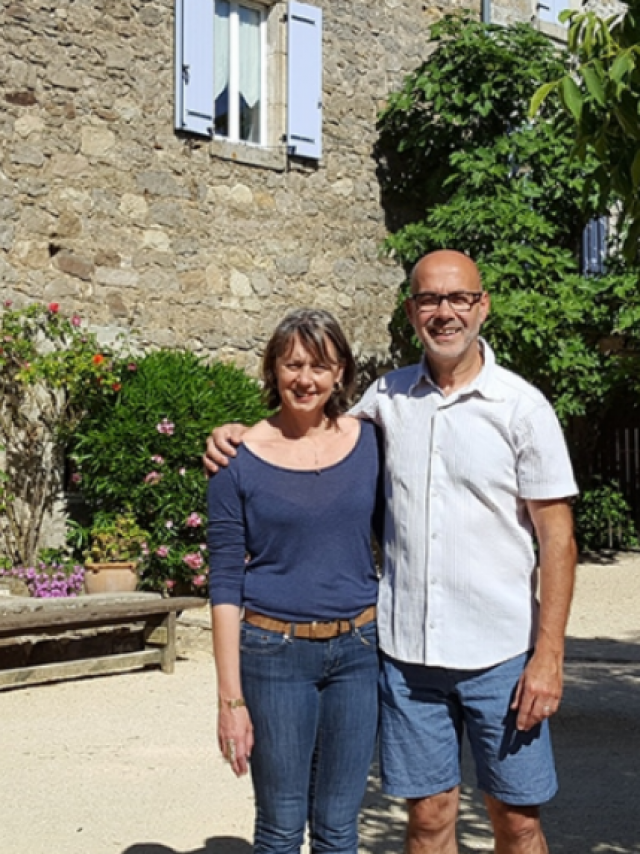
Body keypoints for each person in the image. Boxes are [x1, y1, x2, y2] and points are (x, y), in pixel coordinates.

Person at [205, 250, 578, 854]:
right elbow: (308, 430)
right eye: (430, 299)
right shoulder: (386, 399)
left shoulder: (522, 407)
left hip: (502, 655)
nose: (445, 312)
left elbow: (558, 538)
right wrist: (235, 434)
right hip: (408, 659)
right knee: (428, 821)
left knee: (517, 820)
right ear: (411, 311)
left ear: (482, 306)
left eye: (459, 298)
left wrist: (550, 655)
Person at [206, 308, 382, 854]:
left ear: (341, 373)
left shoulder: (373, 442)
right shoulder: (236, 458)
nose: (306, 379)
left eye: (321, 365)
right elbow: (225, 582)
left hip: (359, 651)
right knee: (281, 828)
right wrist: (230, 701)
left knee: (338, 829)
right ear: (273, 369)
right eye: (294, 364)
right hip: (273, 653)